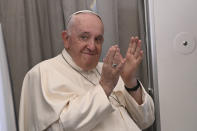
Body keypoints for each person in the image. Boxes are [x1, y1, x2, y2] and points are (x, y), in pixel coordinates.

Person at [19, 10, 155, 131]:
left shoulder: (108, 70)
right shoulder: (42, 73)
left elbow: (146, 120)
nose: (92, 46)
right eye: (84, 37)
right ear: (66, 39)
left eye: (98, 39)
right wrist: (105, 87)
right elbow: (61, 127)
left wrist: (129, 81)